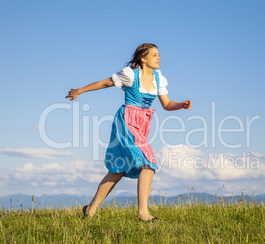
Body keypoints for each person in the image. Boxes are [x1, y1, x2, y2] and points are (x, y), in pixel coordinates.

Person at [65, 43, 192, 222]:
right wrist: (79, 91)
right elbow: (105, 83)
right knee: (148, 160)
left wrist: (181, 105)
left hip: (142, 124)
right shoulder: (130, 74)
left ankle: (90, 209)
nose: (159, 58)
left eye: (158, 54)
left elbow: (167, 104)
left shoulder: (159, 78)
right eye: (155, 55)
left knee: (119, 168)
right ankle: (143, 213)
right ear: (143, 58)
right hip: (126, 121)